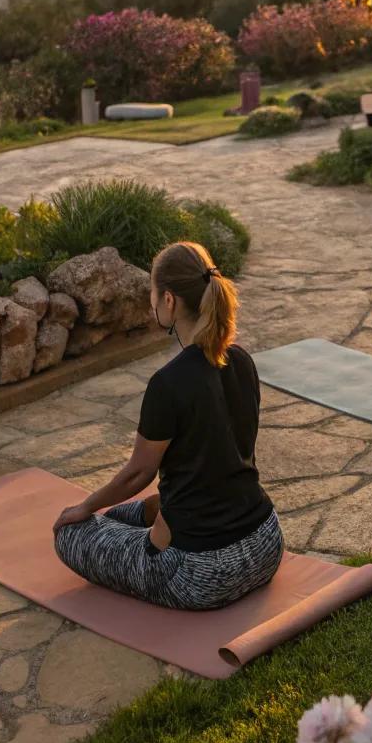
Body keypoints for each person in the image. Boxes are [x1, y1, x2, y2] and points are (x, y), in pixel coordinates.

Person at [53, 241, 283, 610]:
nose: (151, 304)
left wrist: (85, 506)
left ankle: (130, 532)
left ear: (170, 302)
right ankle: (144, 524)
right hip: (266, 543)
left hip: (199, 572)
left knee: (71, 533)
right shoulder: (242, 360)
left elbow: (138, 474)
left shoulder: (169, 384)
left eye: (153, 295)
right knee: (118, 516)